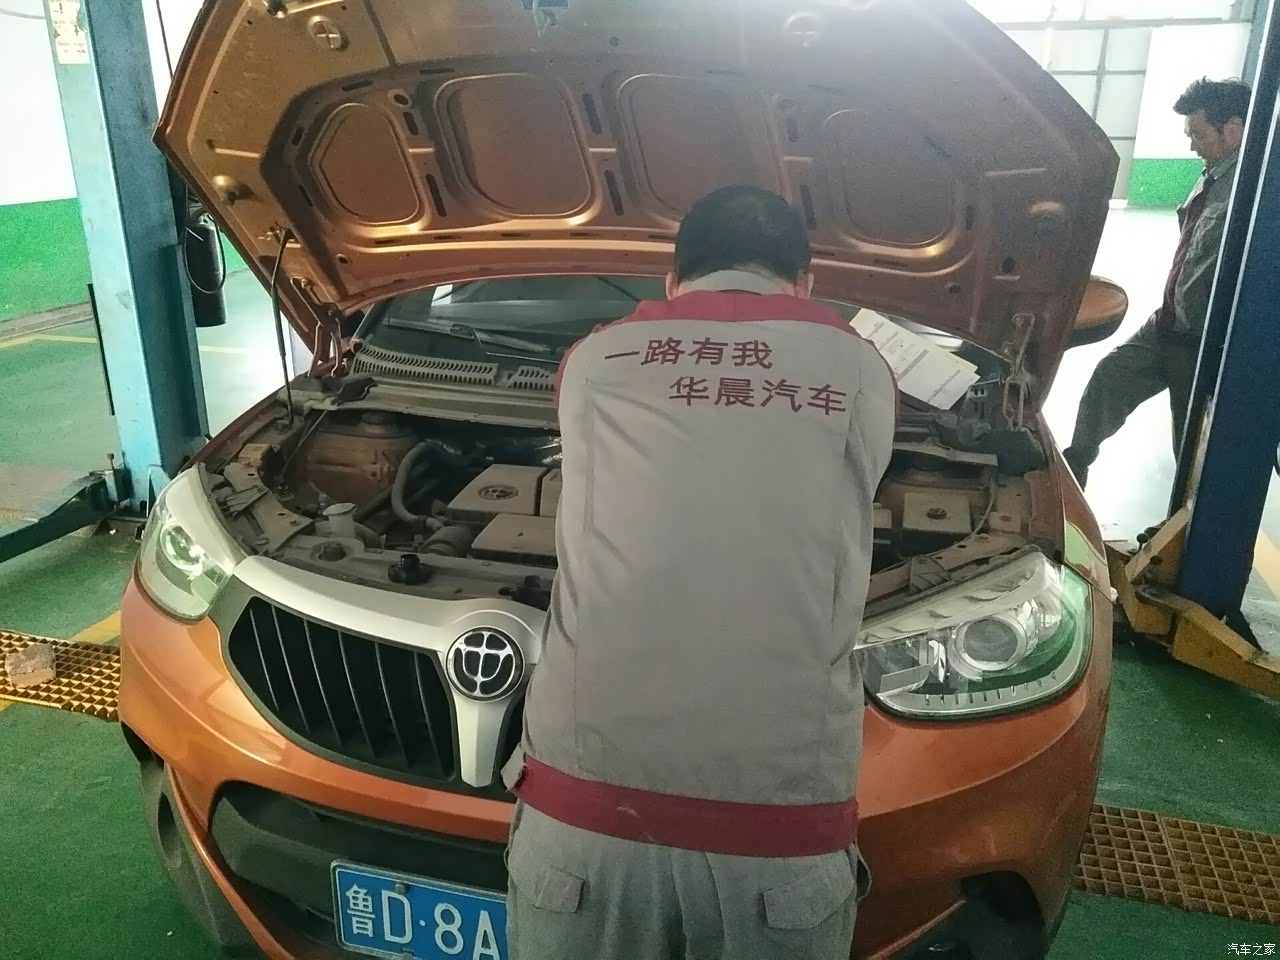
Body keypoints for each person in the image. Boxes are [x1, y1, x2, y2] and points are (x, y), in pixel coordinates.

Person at [501, 185, 897, 960]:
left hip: (582, 817)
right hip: (778, 833)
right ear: (805, 284)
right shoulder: (860, 366)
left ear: (672, 281)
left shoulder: (593, 359)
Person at [1063, 78, 1251, 488]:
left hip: (1203, 343)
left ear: (1233, 130)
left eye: (1198, 135)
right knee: (1109, 378)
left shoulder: (1252, 194)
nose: (1192, 145)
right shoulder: (1212, 175)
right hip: (1169, 322)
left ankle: (1185, 519)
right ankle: (1072, 470)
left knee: (1192, 446)